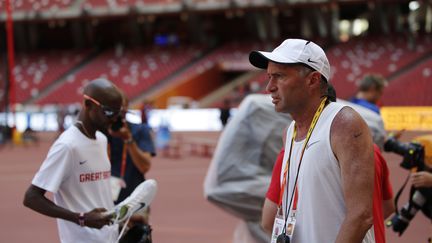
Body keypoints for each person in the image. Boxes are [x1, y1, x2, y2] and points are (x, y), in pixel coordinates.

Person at [250, 39, 375, 242]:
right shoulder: (289, 132)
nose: (269, 87)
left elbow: (361, 216)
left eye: (279, 77)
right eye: (269, 77)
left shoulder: (344, 124)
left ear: (313, 80)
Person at [23, 78, 123, 243]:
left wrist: (122, 218)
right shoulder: (67, 146)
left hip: (110, 238)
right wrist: (81, 218)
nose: (114, 119)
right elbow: (31, 198)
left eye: (118, 113)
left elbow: (97, 193)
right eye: (109, 112)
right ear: (88, 104)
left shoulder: (102, 140)